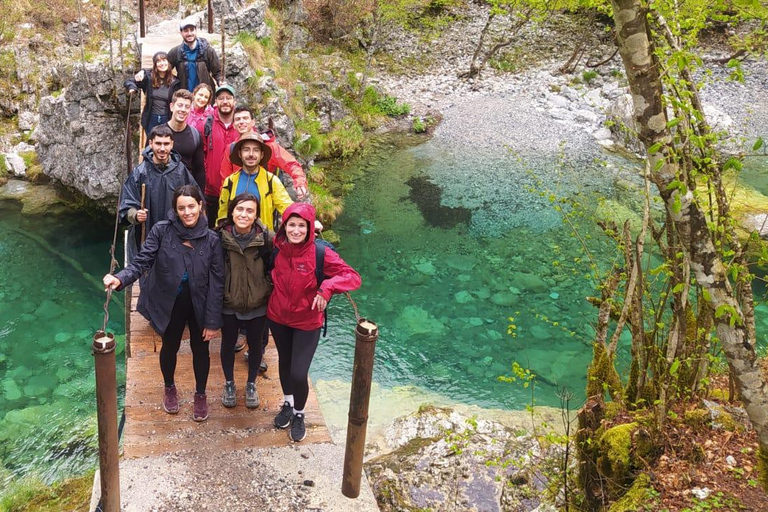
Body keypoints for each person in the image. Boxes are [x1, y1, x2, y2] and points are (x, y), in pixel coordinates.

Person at [104, 185, 224, 422]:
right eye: (181, 208)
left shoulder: (212, 239)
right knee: (170, 346)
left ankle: (200, 394)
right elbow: (142, 262)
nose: (187, 212)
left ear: (201, 206)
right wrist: (120, 278)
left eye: (191, 206)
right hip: (169, 302)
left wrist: (212, 320)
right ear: (175, 210)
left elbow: (218, 281)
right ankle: (169, 386)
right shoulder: (162, 230)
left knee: (202, 350)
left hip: (199, 303)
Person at [268, 203, 361, 442]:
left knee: (299, 373)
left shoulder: (321, 253)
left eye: (302, 226)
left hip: (307, 321)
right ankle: (288, 403)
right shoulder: (277, 249)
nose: (296, 230)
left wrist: (327, 288)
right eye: (292, 225)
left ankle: (299, 413)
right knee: (285, 363)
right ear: (283, 226)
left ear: (310, 228)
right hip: (278, 317)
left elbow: (352, 277)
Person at [216, 193, 273, 409]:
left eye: (250, 210)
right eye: (240, 209)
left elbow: (276, 266)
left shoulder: (266, 238)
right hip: (229, 303)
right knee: (228, 343)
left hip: (257, 304)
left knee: (256, 344)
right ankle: (229, 383)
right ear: (231, 211)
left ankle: (251, 384)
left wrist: (264, 288)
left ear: (256, 214)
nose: (244, 214)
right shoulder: (219, 238)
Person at [119, 125, 198, 261]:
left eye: (166, 144)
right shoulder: (139, 173)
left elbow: (196, 200)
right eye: (158, 143)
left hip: (176, 237)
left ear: (172, 144)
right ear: (150, 144)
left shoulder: (181, 171)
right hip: (146, 239)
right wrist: (136, 215)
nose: (162, 148)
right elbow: (126, 205)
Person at [219, 108, 309, 201]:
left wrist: (300, 182)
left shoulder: (269, 147)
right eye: (238, 119)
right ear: (233, 125)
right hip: (239, 205)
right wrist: (224, 203)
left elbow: (291, 164)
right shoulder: (231, 149)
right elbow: (225, 180)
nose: (241, 122)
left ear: (253, 122)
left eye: (245, 118)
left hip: (266, 203)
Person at [217, 132, 293, 231]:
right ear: (240, 154)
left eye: (256, 150)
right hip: (232, 241)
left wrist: (306, 219)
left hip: (263, 241)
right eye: (246, 150)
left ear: (261, 155)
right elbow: (222, 214)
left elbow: (287, 208)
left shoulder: (271, 181)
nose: (251, 154)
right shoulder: (230, 181)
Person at [202, 84, 239, 227]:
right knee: (211, 230)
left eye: (228, 98)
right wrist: (207, 178)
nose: (225, 101)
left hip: (237, 191)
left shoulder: (242, 124)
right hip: (212, 190)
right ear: (215, 102)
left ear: (234, 101)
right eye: (221, 98)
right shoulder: (208, 123)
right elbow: (202, 154)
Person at [124, 51, 180, 140]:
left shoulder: (176, 82)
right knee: (151, 145)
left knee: (164, 144)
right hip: (151, 118)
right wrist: (132, 88)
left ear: (168, 63)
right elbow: (129, 81)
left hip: (167, 119)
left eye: (164, 60)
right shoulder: (149, 78)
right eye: (159, 61)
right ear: (155, 64)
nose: (162, 63)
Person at [168, 21, 223, 93]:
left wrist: (220, 82)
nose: (189, 33)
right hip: (185, 97)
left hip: (204, 97)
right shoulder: (175, 52)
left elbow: (217, 72)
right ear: (181, 33)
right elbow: (165, 70)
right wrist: (175, 83)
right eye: (186, 31)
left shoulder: (207, 50)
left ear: (196, 30)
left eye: (192, 30)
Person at [166, 89, 205, 190]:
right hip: (162, 188)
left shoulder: (195, 135)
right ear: (171, 107)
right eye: (180, 105)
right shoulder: (158, 134)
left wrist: (200, 197)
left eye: (187, 107)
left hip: (186, 191)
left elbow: (199, 171)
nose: (183, 110)